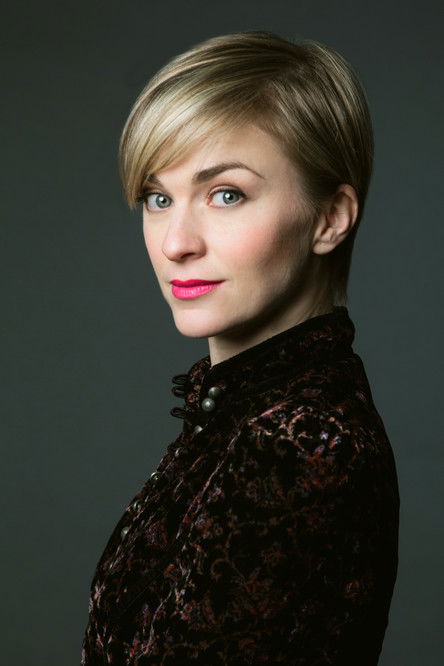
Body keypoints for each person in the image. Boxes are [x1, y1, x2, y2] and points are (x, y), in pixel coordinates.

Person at [81, 30, 400, 665]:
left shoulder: (298, 442)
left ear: (330, 218)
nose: (176, 243)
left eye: (226, 194)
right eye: (158, 198)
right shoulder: (246, 419)